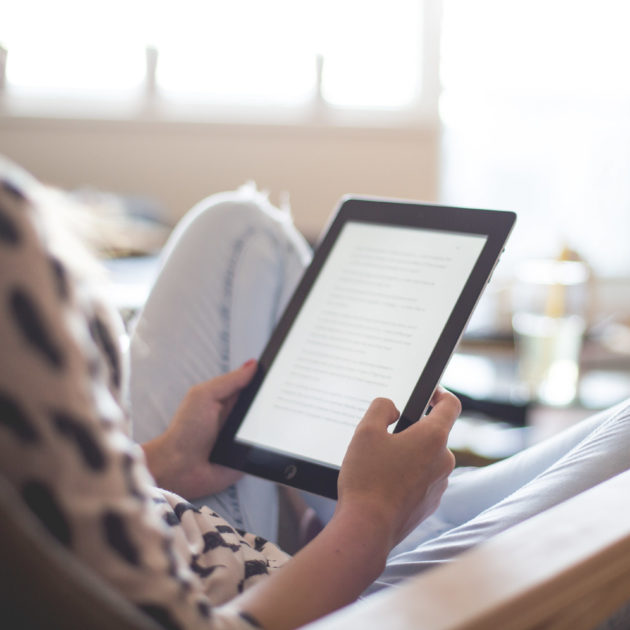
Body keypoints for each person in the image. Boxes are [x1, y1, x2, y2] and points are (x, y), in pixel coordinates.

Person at [1, 155, 628, 630]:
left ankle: (396, 506)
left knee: (238, 226)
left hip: (177, 510)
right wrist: (370, 520)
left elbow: (38, 499)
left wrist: (165, 459)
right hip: (288, 596)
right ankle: (399, 516)